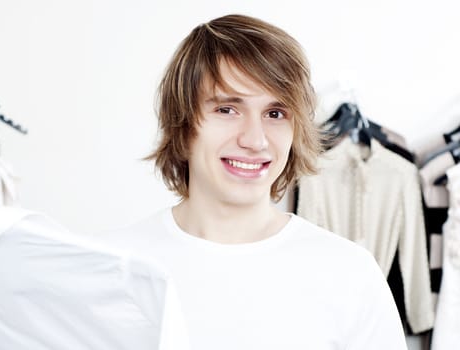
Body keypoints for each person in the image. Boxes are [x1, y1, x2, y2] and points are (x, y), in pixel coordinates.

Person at [102, 14, 408, 349]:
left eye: (275, 114)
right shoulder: (111, 268)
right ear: (183, 123)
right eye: (227, 110)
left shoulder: (350, 274)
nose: (255, 140)